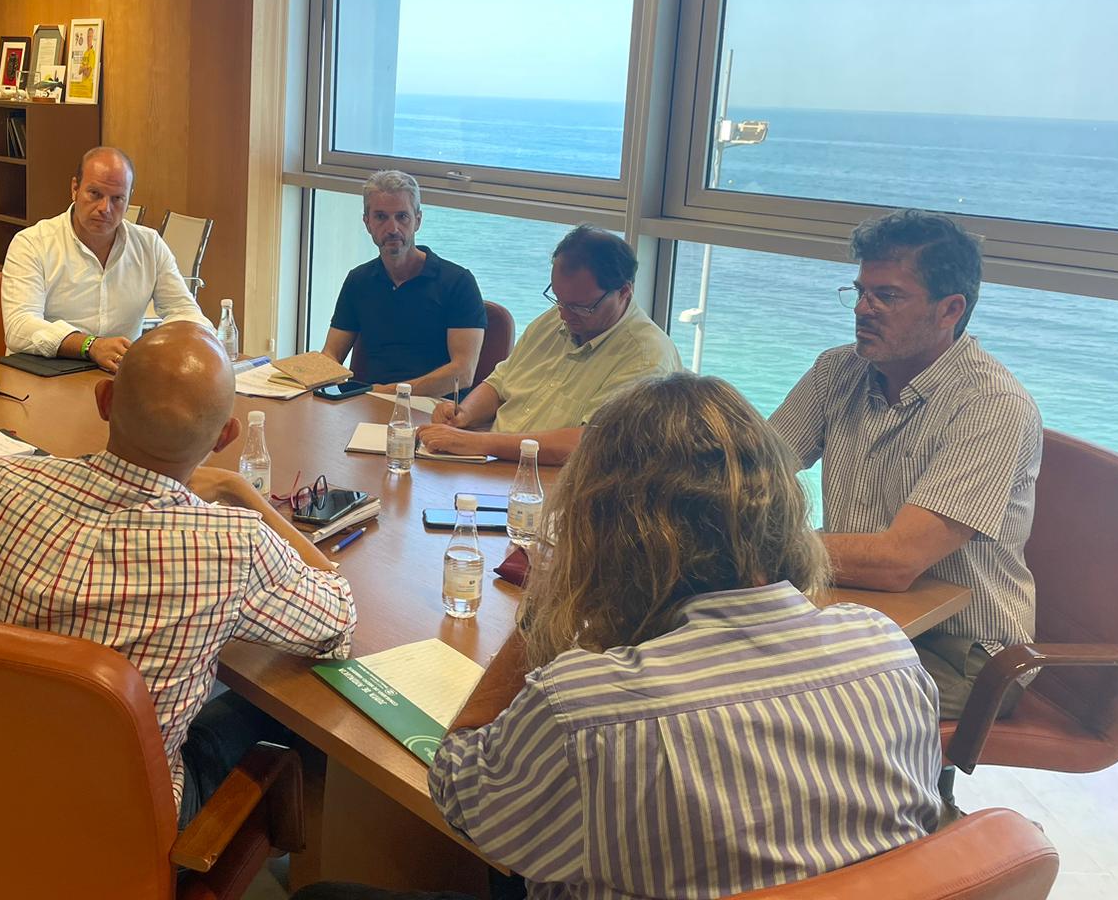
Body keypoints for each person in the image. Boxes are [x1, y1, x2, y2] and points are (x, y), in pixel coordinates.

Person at [297, 374, 942, 900]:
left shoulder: (587, 707)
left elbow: (463, 801)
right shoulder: (889, 654)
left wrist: (541, 616)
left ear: (603, 528)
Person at [0, 322, 355, 824]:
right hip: (115, 829)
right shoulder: (230, 545)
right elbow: (338, 616)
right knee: (278, 708)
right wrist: (243, 495)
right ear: (225, 437)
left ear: (104, 399)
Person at [771, 208, 1041, 720]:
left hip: (964, 653)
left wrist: (759, 545)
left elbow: (897, 562)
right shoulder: (839, 370)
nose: (863, 309)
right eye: (860, 291)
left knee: (775, 699)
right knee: (699, 639)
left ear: (949, 310)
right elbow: (747, 476)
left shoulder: (991, 405)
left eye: (887, 296)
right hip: (857, 613)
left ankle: (893, 802)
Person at [416, 225, 680, 464]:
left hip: (557, 484)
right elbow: (500, 383)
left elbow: (590, 444)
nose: (564, 315)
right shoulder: (557, 319)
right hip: (496, 463)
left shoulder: (646, 357)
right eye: (558, 299)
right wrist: (464, 414)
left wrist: (478, 443)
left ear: (624, 292)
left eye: (579, 307)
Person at [1, 146, 209, 371]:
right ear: (74, 189)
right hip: (41, 378)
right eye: (95, 194)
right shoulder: (32, 243)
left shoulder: (149, 245)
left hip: (118, 377)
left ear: (129, 199)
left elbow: (184, 310)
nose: (105, 208)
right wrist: (90, 345)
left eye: (117, 199)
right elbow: (19, 328)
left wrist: (185, 343)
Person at [321, 170, 486, 397]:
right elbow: (331, 353)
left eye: (402, 216)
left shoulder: (458, 282)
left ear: (417, 220)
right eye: (381, 217)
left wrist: (390, 392)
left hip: (433, 409)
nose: (393, 229)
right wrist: (306, 375)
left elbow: (463, 372)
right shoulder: (358, 280)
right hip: (367, 403)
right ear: (367, 222)